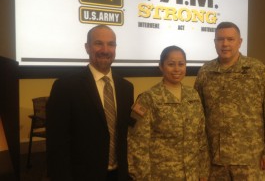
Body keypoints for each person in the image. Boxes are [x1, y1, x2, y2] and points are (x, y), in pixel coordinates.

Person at [194, 21, 265, 181]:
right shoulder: (205, 72)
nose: (225, 44)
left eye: (230, 39)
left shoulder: (257, 70)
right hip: (216, 160)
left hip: (250, 159)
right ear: (214, 42)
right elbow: (197, 116)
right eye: (220, 39)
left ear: (240, 42)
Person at [46, 25, 134, 181]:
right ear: (87, 47)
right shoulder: (65, 86)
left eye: (111, 44)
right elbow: (57, 144)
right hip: (82, 175)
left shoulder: (126, 88)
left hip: (119, 174)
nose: (105, 50)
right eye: (98, 43)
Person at [128, 45, 210, 180]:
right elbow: (137, 144)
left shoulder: (193, 96)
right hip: (161, 176)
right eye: (171, 64)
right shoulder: (148, 98)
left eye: (181, 64)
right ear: (161, 66)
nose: (177, 69)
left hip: (192, 175)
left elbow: (201, 138)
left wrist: (203, 173)